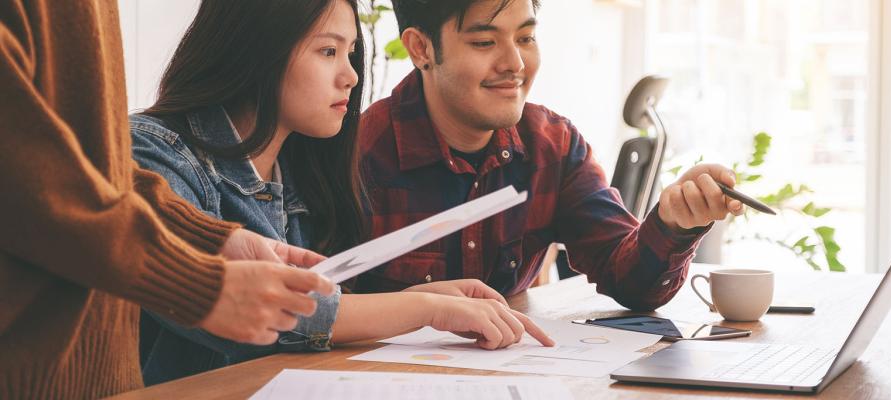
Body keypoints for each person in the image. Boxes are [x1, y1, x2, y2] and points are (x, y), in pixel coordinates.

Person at [130, 0, 552, 385]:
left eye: (350, 53)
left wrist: (410, 301)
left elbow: (306, 324)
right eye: (328, 51)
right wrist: (425, 309)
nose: (351, 75)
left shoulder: (301, 172)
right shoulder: (153, 151)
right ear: (257, 51)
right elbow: (256, 310)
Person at [0, 1, 336, 398]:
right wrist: (195, 280)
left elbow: (94, 172)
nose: (350, 75)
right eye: (329, 51)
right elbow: (25, 181)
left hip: (107, 379)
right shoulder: (164, 146)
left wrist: (209, 240)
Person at [353, 0, 745, 311]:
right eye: (485, 42)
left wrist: (674, 222)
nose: (515, 65)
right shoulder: (357, 154)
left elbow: (629, 281)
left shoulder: (550, 145)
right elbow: (313, 313)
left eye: (525, 38)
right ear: (421, 48)